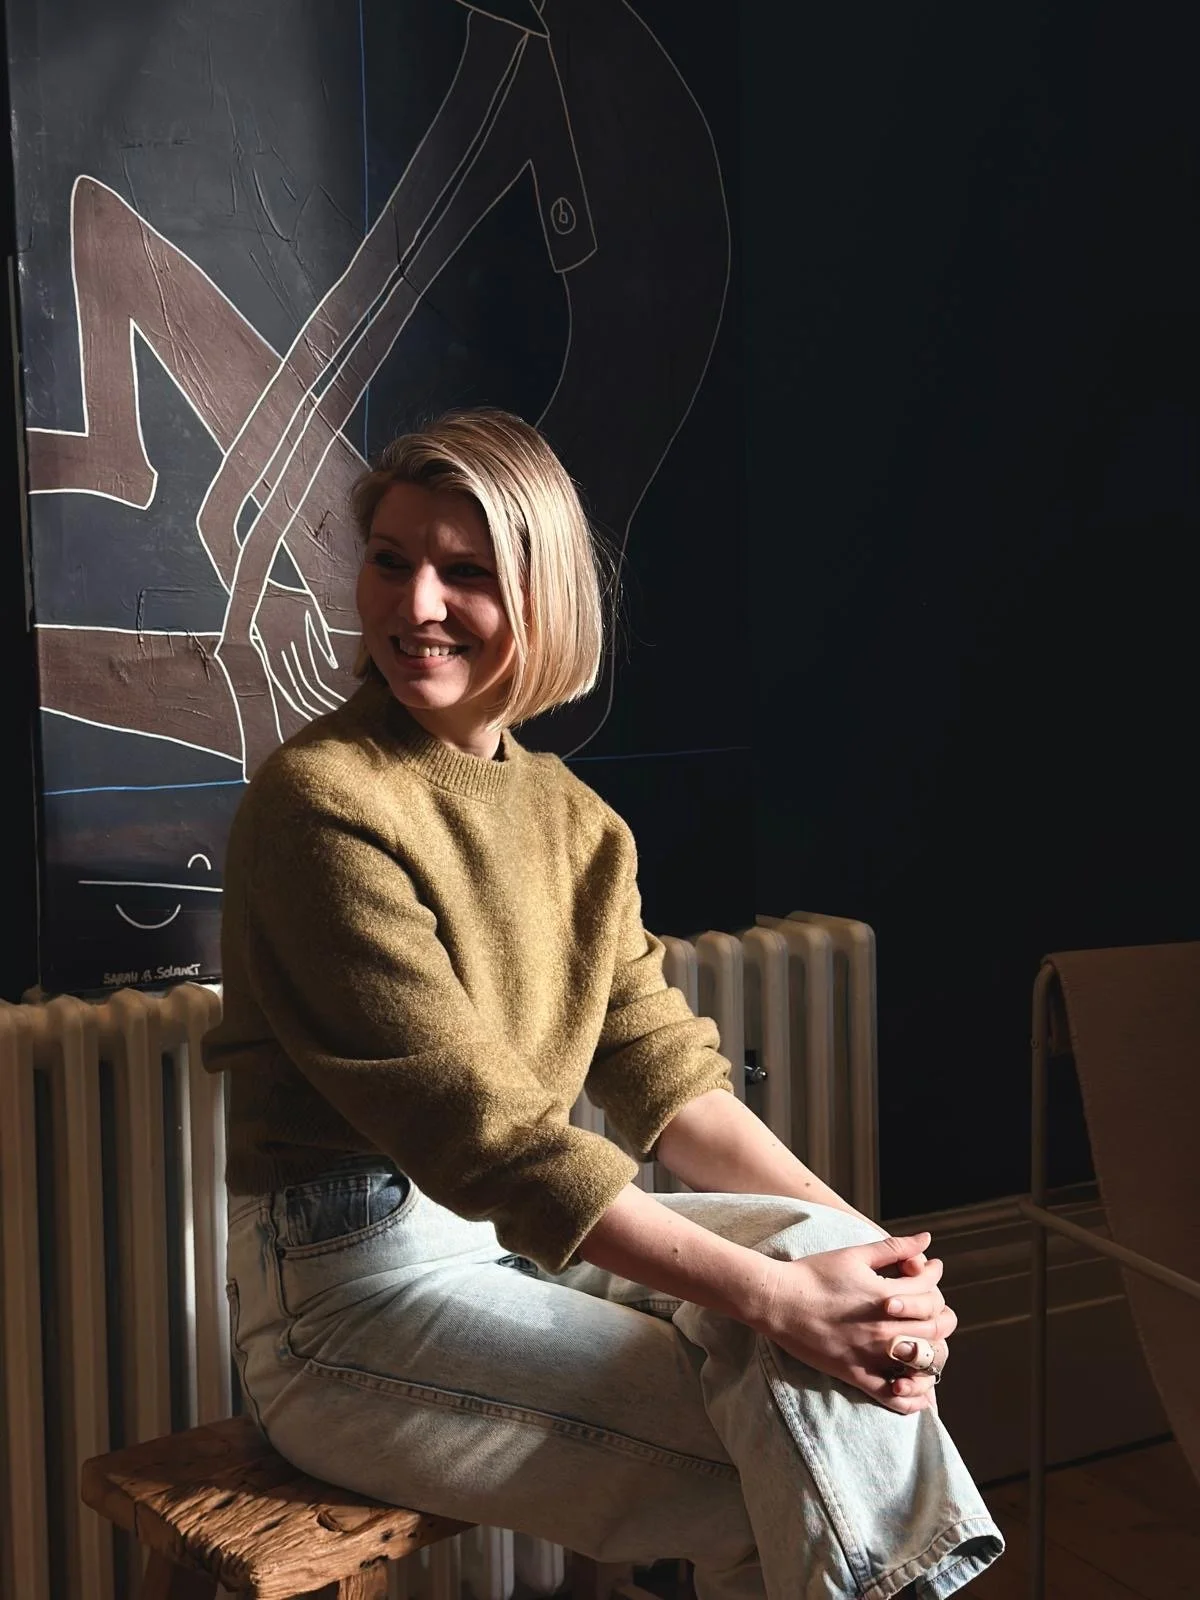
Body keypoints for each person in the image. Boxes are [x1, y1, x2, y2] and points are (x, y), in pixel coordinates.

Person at [204, 409, 1003, 1600]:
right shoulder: (321, 803)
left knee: (828, 1287)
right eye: (389, 559)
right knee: (793, 1467)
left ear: (541, 591)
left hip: (519, 1250)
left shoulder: (578, 823)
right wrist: (782, 1299)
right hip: (347, 1301)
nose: (413, 603)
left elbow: (671, 1085)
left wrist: (879, 1269)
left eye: (463, 571)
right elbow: (490, 1139)